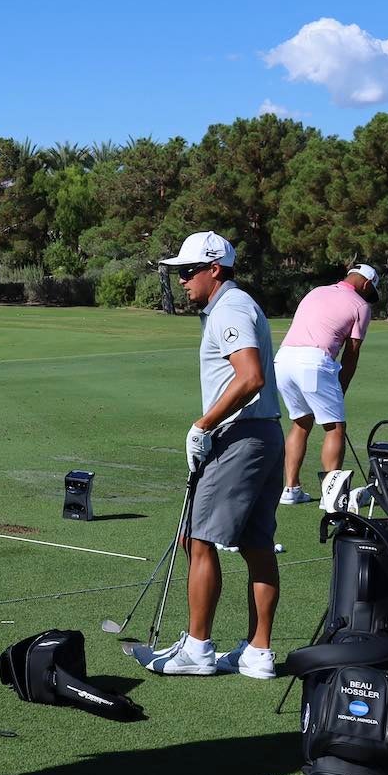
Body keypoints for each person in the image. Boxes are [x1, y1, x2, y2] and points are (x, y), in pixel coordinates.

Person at [137, 231, 283, 679]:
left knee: (198, 539)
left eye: (187, 272)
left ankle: (197, 648)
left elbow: (250, 376)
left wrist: (203, 425)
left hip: (239, 438)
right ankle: (258, 652)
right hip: (265, 435)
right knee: (256, 544)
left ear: (213, 269)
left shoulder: (231, 308)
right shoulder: (235, 305)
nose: (182, 281)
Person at [275, 264, 378, 506]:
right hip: (314, 362)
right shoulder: (361, 305)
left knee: (301, 422)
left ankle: (291, 489)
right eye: (369, 292)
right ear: (366, 284)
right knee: (335, 428)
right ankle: (332, 497)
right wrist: (342, 387)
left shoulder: (315, 291)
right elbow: (351, 354)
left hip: (283, 360)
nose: (368, 298)